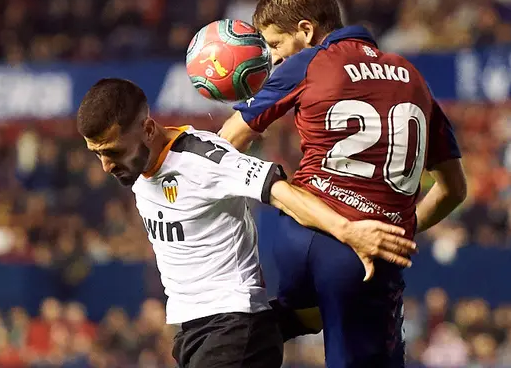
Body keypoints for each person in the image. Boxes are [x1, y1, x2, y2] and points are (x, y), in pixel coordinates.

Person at [75, 78, 418, 368]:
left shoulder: (202, 160)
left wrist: (349, 231)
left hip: (233, 329)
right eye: (98, 154)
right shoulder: (141, 167)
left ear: (148, 128)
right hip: (198, 332)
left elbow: (282, 194)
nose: (105, 165)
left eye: (113, 152)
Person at [218, 0, 468, 367]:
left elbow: (227, 142)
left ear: (306, 30)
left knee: (303, 316)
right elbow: (454, 190)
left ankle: (233, 341)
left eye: (275, 45)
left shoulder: (307, 64)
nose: (275, 59)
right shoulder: (414, 77)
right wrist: (396, 231)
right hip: (361, 261)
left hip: (298, 234)